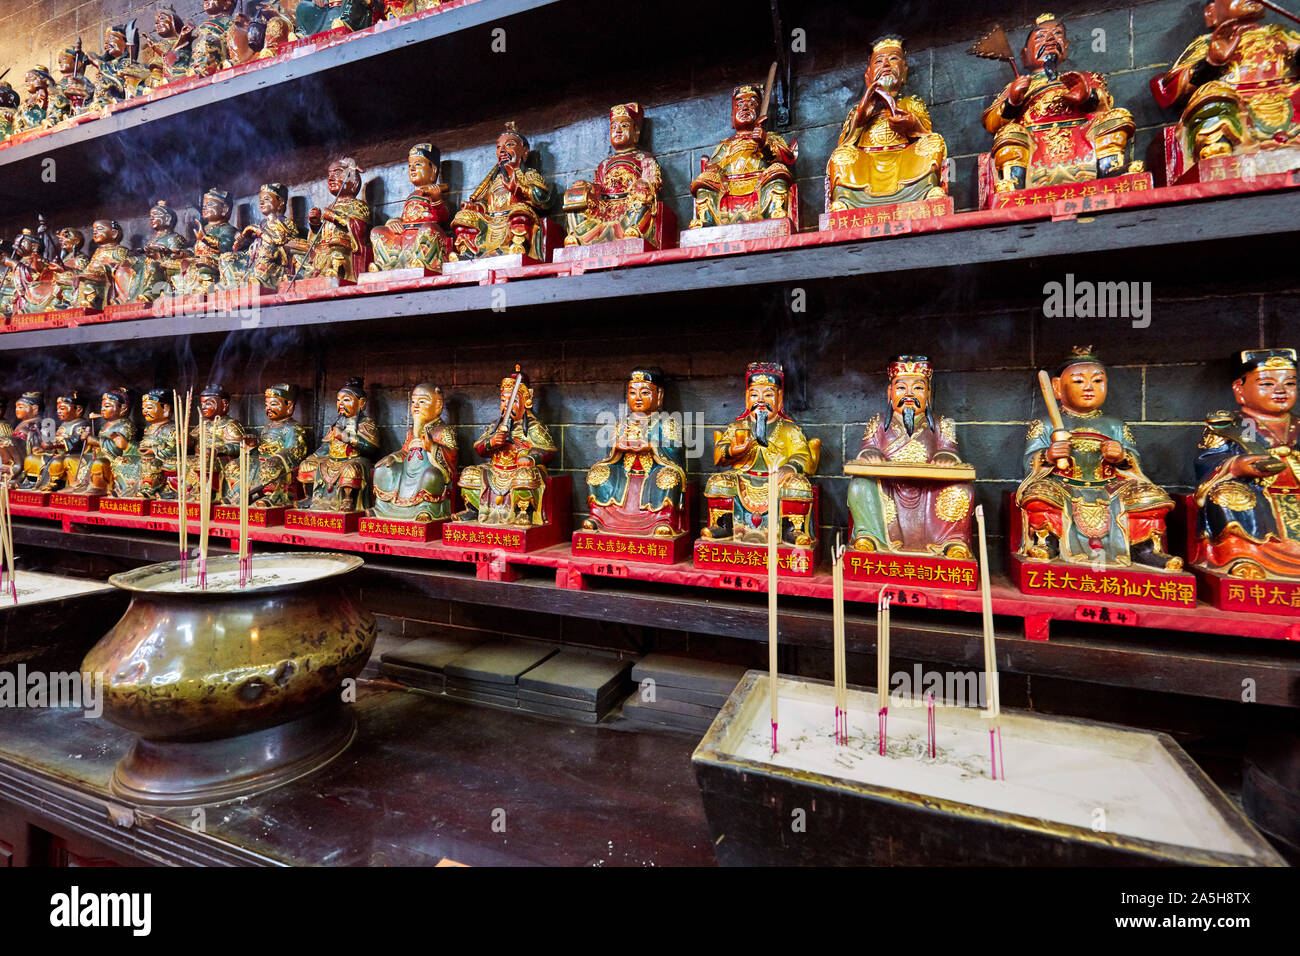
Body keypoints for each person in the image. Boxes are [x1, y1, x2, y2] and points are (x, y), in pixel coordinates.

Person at [847, 356, 973, 557]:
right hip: (888, 488)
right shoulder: (878, 423)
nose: (909, 394)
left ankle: (950, 541)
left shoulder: (943, 423)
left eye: (918, 388)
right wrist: (871, 453)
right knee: (859, 486)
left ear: (929, 394)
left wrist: (944, 455)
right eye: (901, 388)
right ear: (890, 393)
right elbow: (867, 448)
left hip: (929, 490)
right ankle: (871, 536)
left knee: (962, 490)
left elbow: (950, 450)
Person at [1193, 348, 1300, 578]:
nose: (1280, 391)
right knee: (1225, 497)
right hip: (1256, 493)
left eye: (1290, 384)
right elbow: (1207, 461)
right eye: (1267, 384)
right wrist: (1236, 466)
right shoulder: (1227, 425)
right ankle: (1243, 557)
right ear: (1239, 390)